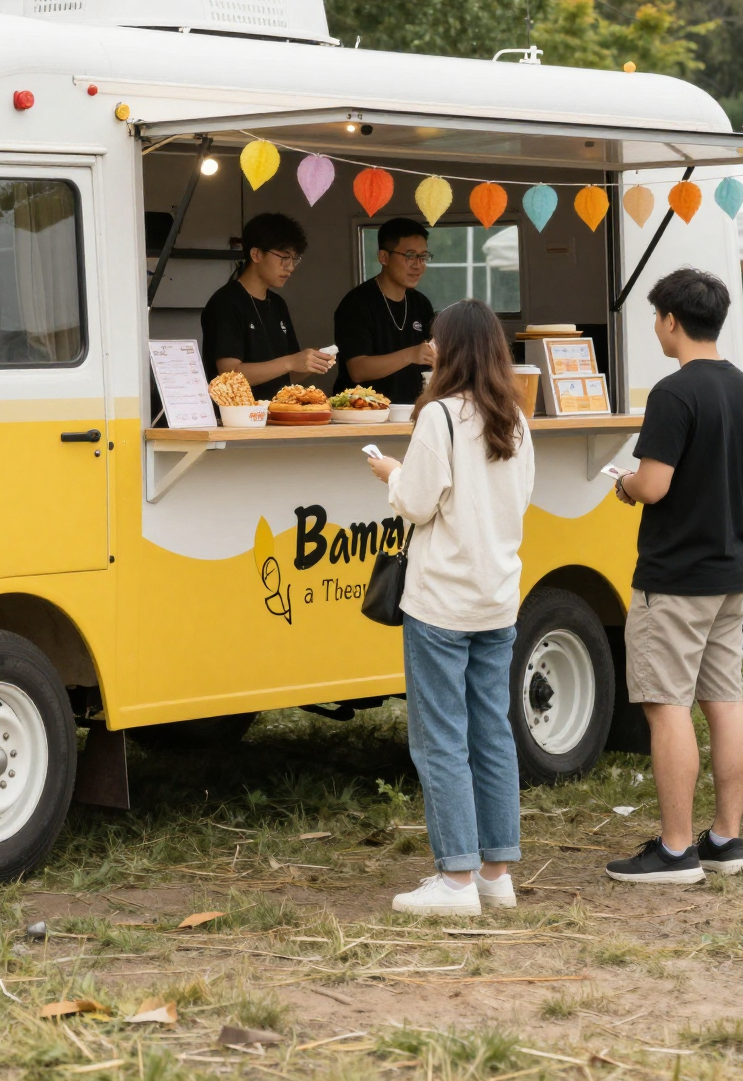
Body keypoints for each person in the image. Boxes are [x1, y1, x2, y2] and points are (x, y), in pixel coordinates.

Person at [365, 300, 535, 916]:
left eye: (436, 342)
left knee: (439, 739)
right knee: (492, 732)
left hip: (441, 602)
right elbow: (521, 498)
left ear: (450, 349)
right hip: (497, 598)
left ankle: (456, 879)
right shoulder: (515, 416)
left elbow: (414, 503)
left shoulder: (438, 416)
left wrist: (390, 470)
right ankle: (496, 872)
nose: (430, 350)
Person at [606, 268, 743, 884]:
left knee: (665, 706)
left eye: (656, 317)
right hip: (730, 569)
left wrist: (624, 485)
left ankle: (675, 850)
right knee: (725, 702)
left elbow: (654, 484)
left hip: (674, 577)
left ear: (671, 321)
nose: (656, 328)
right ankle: (726, 839)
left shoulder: (673, 394)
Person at [200, 213, 334, 401]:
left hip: (277, 415)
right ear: (256, 254)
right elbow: (229, 375)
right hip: (235, 420)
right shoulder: (226, 302)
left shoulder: (278, 304)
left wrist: (310, 363)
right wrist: (291, 362)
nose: (290, 267)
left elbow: (287, 374)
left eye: (295, 259)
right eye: (284, 257)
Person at [334, 217, 438, 405]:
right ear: (384, 257)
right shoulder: (356, 303)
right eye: (410, 255)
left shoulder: (421, 304)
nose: (418, 265)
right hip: (362, 413)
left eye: (423, 256)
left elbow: (431, 360)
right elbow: (358, 370)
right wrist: (410, 355)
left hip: (411, 411)